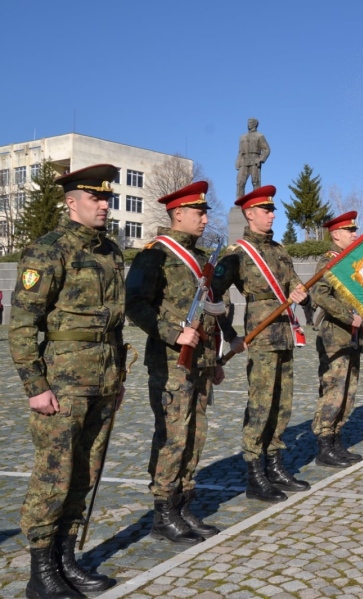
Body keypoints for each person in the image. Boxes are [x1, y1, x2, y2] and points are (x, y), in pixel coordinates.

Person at [10, 164, 125, 597]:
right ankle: (41, 572)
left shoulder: (110, 252)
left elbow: (114, 324)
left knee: (86, 473)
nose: (103, 204)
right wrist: (35, 385)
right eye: (95, 197)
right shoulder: (48, 250)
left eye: (106, 198)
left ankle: (66, 558)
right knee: (54, 474)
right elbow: (22, 323)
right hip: (62, 382)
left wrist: (118, 378)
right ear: (71, 201)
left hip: (103, 379)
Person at [125, 181, 226, 546]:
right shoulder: (155, 254)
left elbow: (207, 313)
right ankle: (163, 512)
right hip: (171, 363)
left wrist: (213, 358)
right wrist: (173, 333)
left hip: (199, 362)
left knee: (195, 435)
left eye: (205, 212)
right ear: (178, 214)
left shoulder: (198, 258)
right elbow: (135, 305)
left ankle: (183, 504)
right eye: (199, 212)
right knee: (172, 436)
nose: (204, 218)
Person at [212, 185, 311, 503]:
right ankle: (255, 474)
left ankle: (275, 464)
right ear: (249, 214)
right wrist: (229, 334)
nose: (271, 215)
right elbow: (213, 293)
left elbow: (294, 279)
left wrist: (299, 291)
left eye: (272, 211)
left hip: (284, 333)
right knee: (261, 405)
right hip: (260, 337)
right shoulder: (237, 254)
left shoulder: (280, 250)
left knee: (283, 405)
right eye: (265, 211)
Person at [310, 212, 363, 469]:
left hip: (352, 335)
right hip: (335, 335)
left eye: (355, 230)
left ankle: (337, 439)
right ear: (336, 235)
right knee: (333, 389)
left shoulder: (350, 261)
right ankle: (324, 443)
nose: (355, 234)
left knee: (348, 390)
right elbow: (319, 294)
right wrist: (347, 315)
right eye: (349, 231)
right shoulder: (328, 261)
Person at [235, 117, 271, 198]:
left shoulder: (259, 136)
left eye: (250, 122)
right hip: (243, 160)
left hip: (255, 159)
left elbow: (267, 149)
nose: (248, 124)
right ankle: (239, 203)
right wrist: (238, 161)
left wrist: (261, 159)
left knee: (255, 182)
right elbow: (240, 151)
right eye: (248, 122)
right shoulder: (242, 137)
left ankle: (256, 202)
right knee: (240, 182)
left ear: (255, 124)